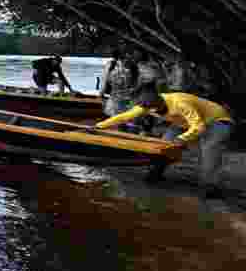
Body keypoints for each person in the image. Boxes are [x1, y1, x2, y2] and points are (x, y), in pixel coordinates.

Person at [95, 82, 235, 197]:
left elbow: (199, 126)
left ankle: (211, 187)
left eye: (143, 101)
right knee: (164, 144)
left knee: (209, 150)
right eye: (139, 102)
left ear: (154, 95)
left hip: (217, 121)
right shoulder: (147, 105)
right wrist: (99, 126)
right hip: (184, 122)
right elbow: (124, 117)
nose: (141, 105)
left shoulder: (179, 103)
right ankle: (156, 172)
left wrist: (182, 138)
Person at [100, 46, 139, 117]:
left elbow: (104, 81)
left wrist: (101, 94)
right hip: (127, 101)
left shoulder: (111, 65)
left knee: (115, 118)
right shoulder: (133, 66)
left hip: (116, 101)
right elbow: (137, 84)